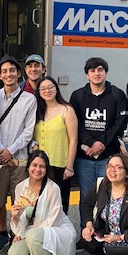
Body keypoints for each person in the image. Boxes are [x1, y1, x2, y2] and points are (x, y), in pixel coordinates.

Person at [69, 57, 128, 240]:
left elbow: (120, 122)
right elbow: (75, 123)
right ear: (87, 74)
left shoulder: (117, 95)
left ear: (106, 73)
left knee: (110, 194)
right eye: (92, 70)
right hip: (84, 157)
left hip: (108, 156)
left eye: (100, 69)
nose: (97, 73)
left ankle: (108, 231)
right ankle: (86, 233)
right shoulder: (78, 96)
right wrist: (88, 143)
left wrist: (101, 143)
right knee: (86, 197)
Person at [7, 150, 76, 255]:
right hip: (33, 232)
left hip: (57, 228)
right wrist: (15, 218)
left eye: (42, 166)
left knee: (33, 236)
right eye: (34, 165)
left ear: (46, 169)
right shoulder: (21, 187)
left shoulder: (52, 188)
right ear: (28, 167)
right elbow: (21, 222)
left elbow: (53, 220)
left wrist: (26, 234)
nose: (37, 169)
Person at [0, 56, 37, 253]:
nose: (8, 74)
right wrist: (2, 150)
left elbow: (29, 131)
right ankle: (2, 232)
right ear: (0, 76)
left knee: (19, 200)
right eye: (4, 71)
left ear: (19, 73)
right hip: (0, 159)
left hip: (20, 159)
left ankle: (16, 231)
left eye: (12, 70)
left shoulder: (29, 99)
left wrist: (10, 150)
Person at [33, 76, 78, 214]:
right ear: (39, 92)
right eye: (43, 88)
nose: (47, 91)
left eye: (50, 87)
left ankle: (59, 234)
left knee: (59, 205)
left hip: (60, 166)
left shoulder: (67, 110)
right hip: (40, 166)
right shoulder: (37, 111)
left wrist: (69, 167)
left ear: (56, 89)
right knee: (41, 203)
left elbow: (73, 139)